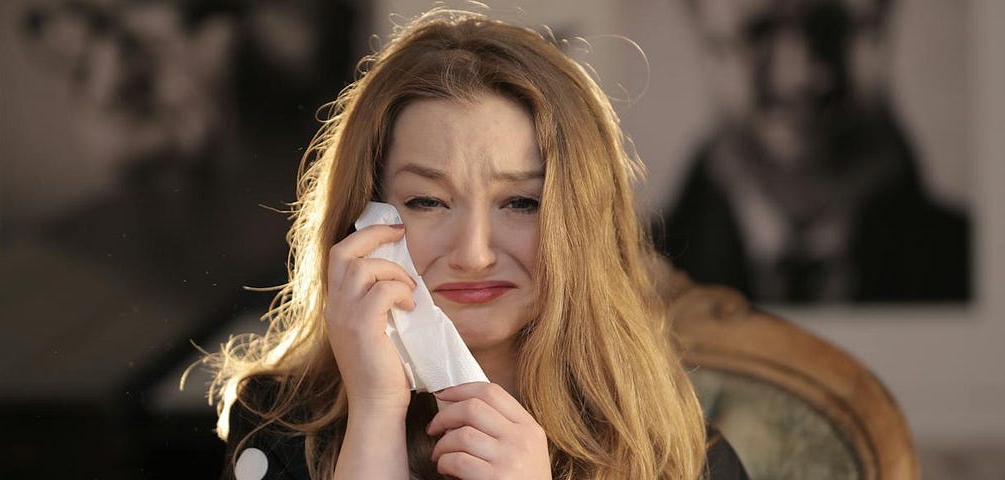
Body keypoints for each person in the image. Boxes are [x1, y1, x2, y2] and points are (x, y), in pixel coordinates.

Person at [203, 9, 749, 480]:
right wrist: (375, 414)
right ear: (366, 218)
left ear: (578, 223)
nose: (473, 254)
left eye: (521, 203)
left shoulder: (681, 456)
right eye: (428, 202)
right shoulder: (278, 427)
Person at [657, 0, 971, 303]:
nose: (801, 78)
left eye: (834, 25)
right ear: (703, 34)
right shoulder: (637, 269)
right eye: (758, 31)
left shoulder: (965, 260)